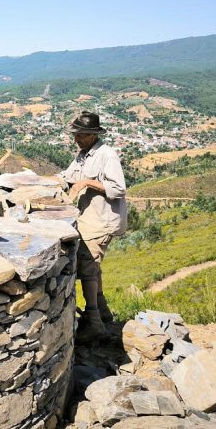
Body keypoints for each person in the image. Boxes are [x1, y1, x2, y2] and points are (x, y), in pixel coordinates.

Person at [60, 111, 127, 343]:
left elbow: (119, 188)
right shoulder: (83, 155)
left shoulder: (106, 155)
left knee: (88, 269)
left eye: (79, 134)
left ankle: (94, 322)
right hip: (88, 220)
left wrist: (87, 183)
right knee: (93, 268)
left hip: (101, 221)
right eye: (75, 133)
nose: (75, 137)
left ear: (92, 135)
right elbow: (69, 177)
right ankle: (103, 312)